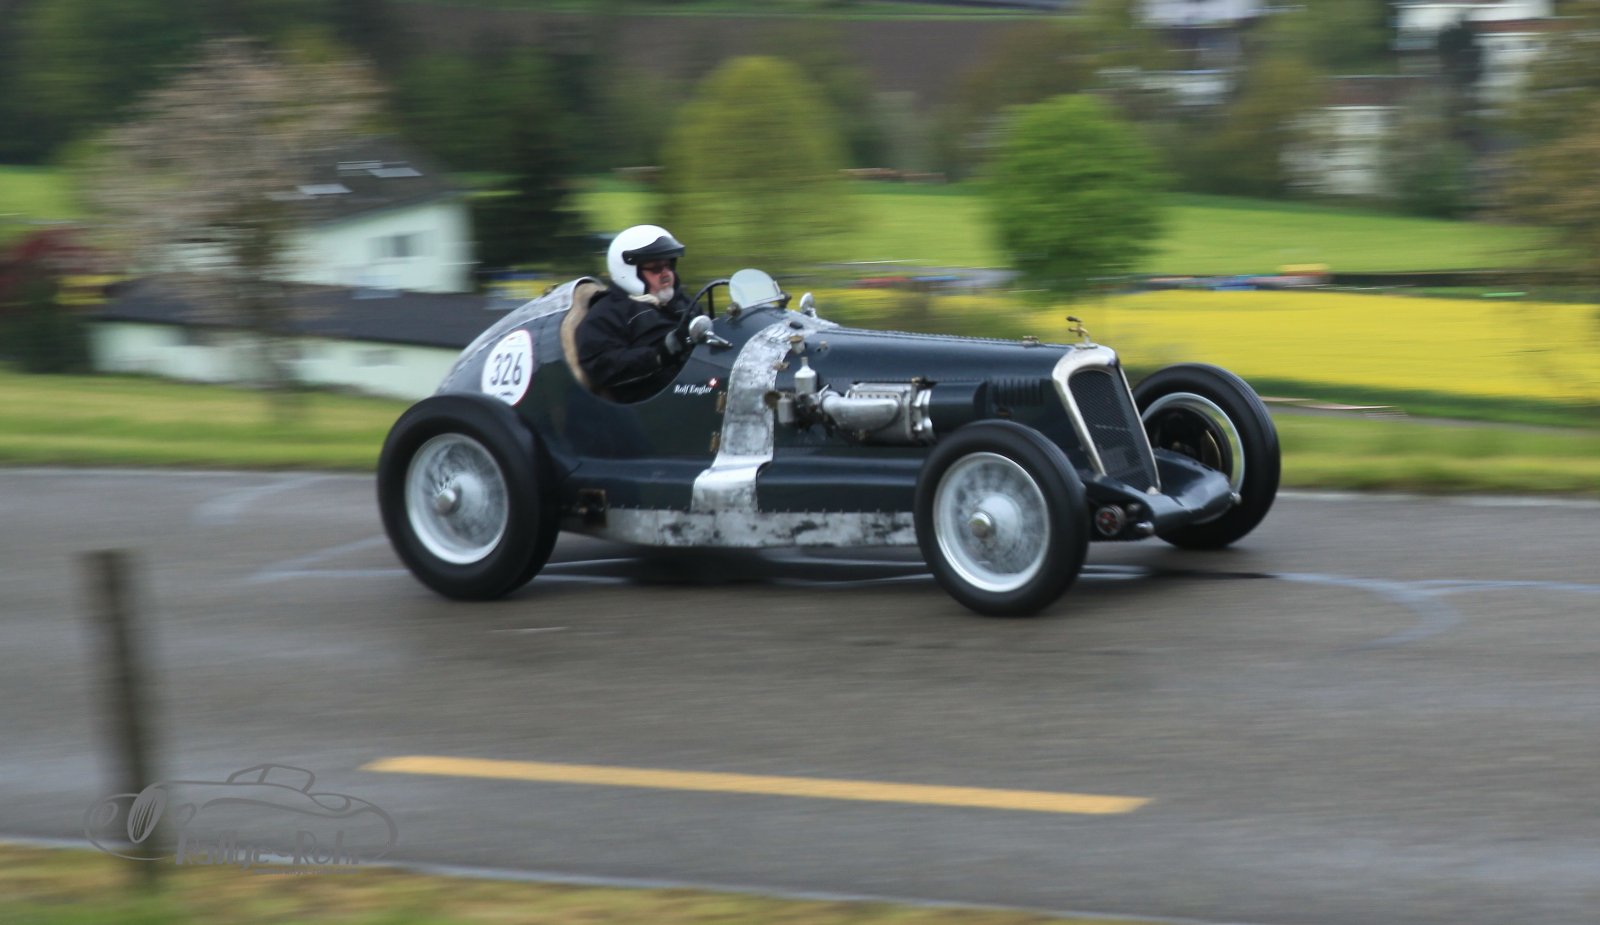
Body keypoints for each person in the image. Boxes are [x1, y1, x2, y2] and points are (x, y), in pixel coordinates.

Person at [575, 224, 695, 402]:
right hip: (659, 402)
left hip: (698, 385)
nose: (666, 274)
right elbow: (601, 366)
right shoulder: (606, 314)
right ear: (629, 272)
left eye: (669, 265)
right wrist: (660, 354)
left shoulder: (683, 303)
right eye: (656, 268)